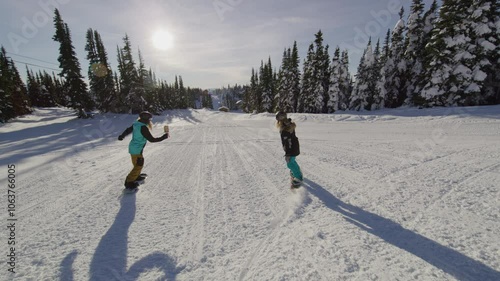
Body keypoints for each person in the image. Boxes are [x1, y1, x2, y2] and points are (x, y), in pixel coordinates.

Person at [118, 111, 169, 191]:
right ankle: (129, 182)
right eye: (149, 119)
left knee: (136, 163)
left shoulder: (136, 124)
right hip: (137, 149)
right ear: (147, 119)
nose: (150, 121)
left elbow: (128, 130)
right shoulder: (143, 127)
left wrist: (122, 136)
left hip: (133, 148)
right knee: (139, 165)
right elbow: (152, 139)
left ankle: (136, 176)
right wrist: (163, 137)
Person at [276, 111, 303, 188]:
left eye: (278, 120)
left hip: (291, 148)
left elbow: (288, 141)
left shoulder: (285, 128)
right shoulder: (287, 126)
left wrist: (288, 153)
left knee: (290, 163)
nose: (278, 122)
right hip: (293, 146)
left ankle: (298, 178)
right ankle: (296, 172)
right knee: (292, 161)